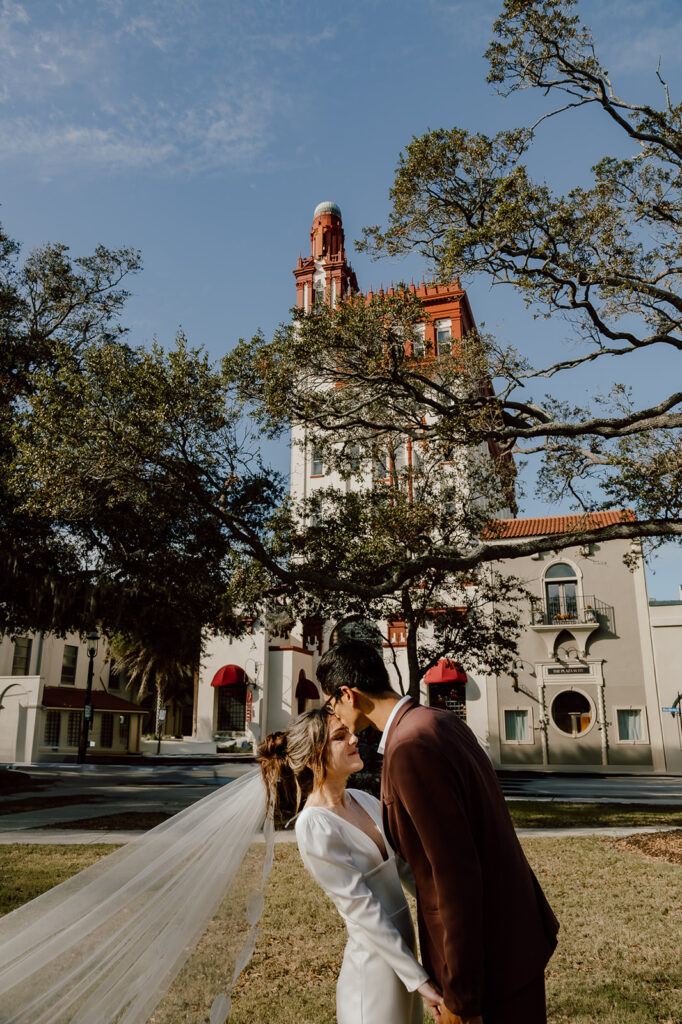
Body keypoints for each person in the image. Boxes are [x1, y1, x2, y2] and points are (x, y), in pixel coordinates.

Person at [316, 640, 560, 1024]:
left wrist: (461, 995)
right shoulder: (440, 721)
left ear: (349, 694)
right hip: (515, 940)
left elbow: (453, 875)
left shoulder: (410, 747)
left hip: (487, 965)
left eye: (333, 703)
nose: (335, 715)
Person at [258, 708, 443, 1024]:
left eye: (350, 733)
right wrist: (420, 981)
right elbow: (364, 912)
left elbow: (409, 871)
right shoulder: (315, 826)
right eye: (340, 737)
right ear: (315, 758)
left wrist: (449, 911)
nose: (355, 739)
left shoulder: (364, 800)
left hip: (407, 964)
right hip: (373, 976)